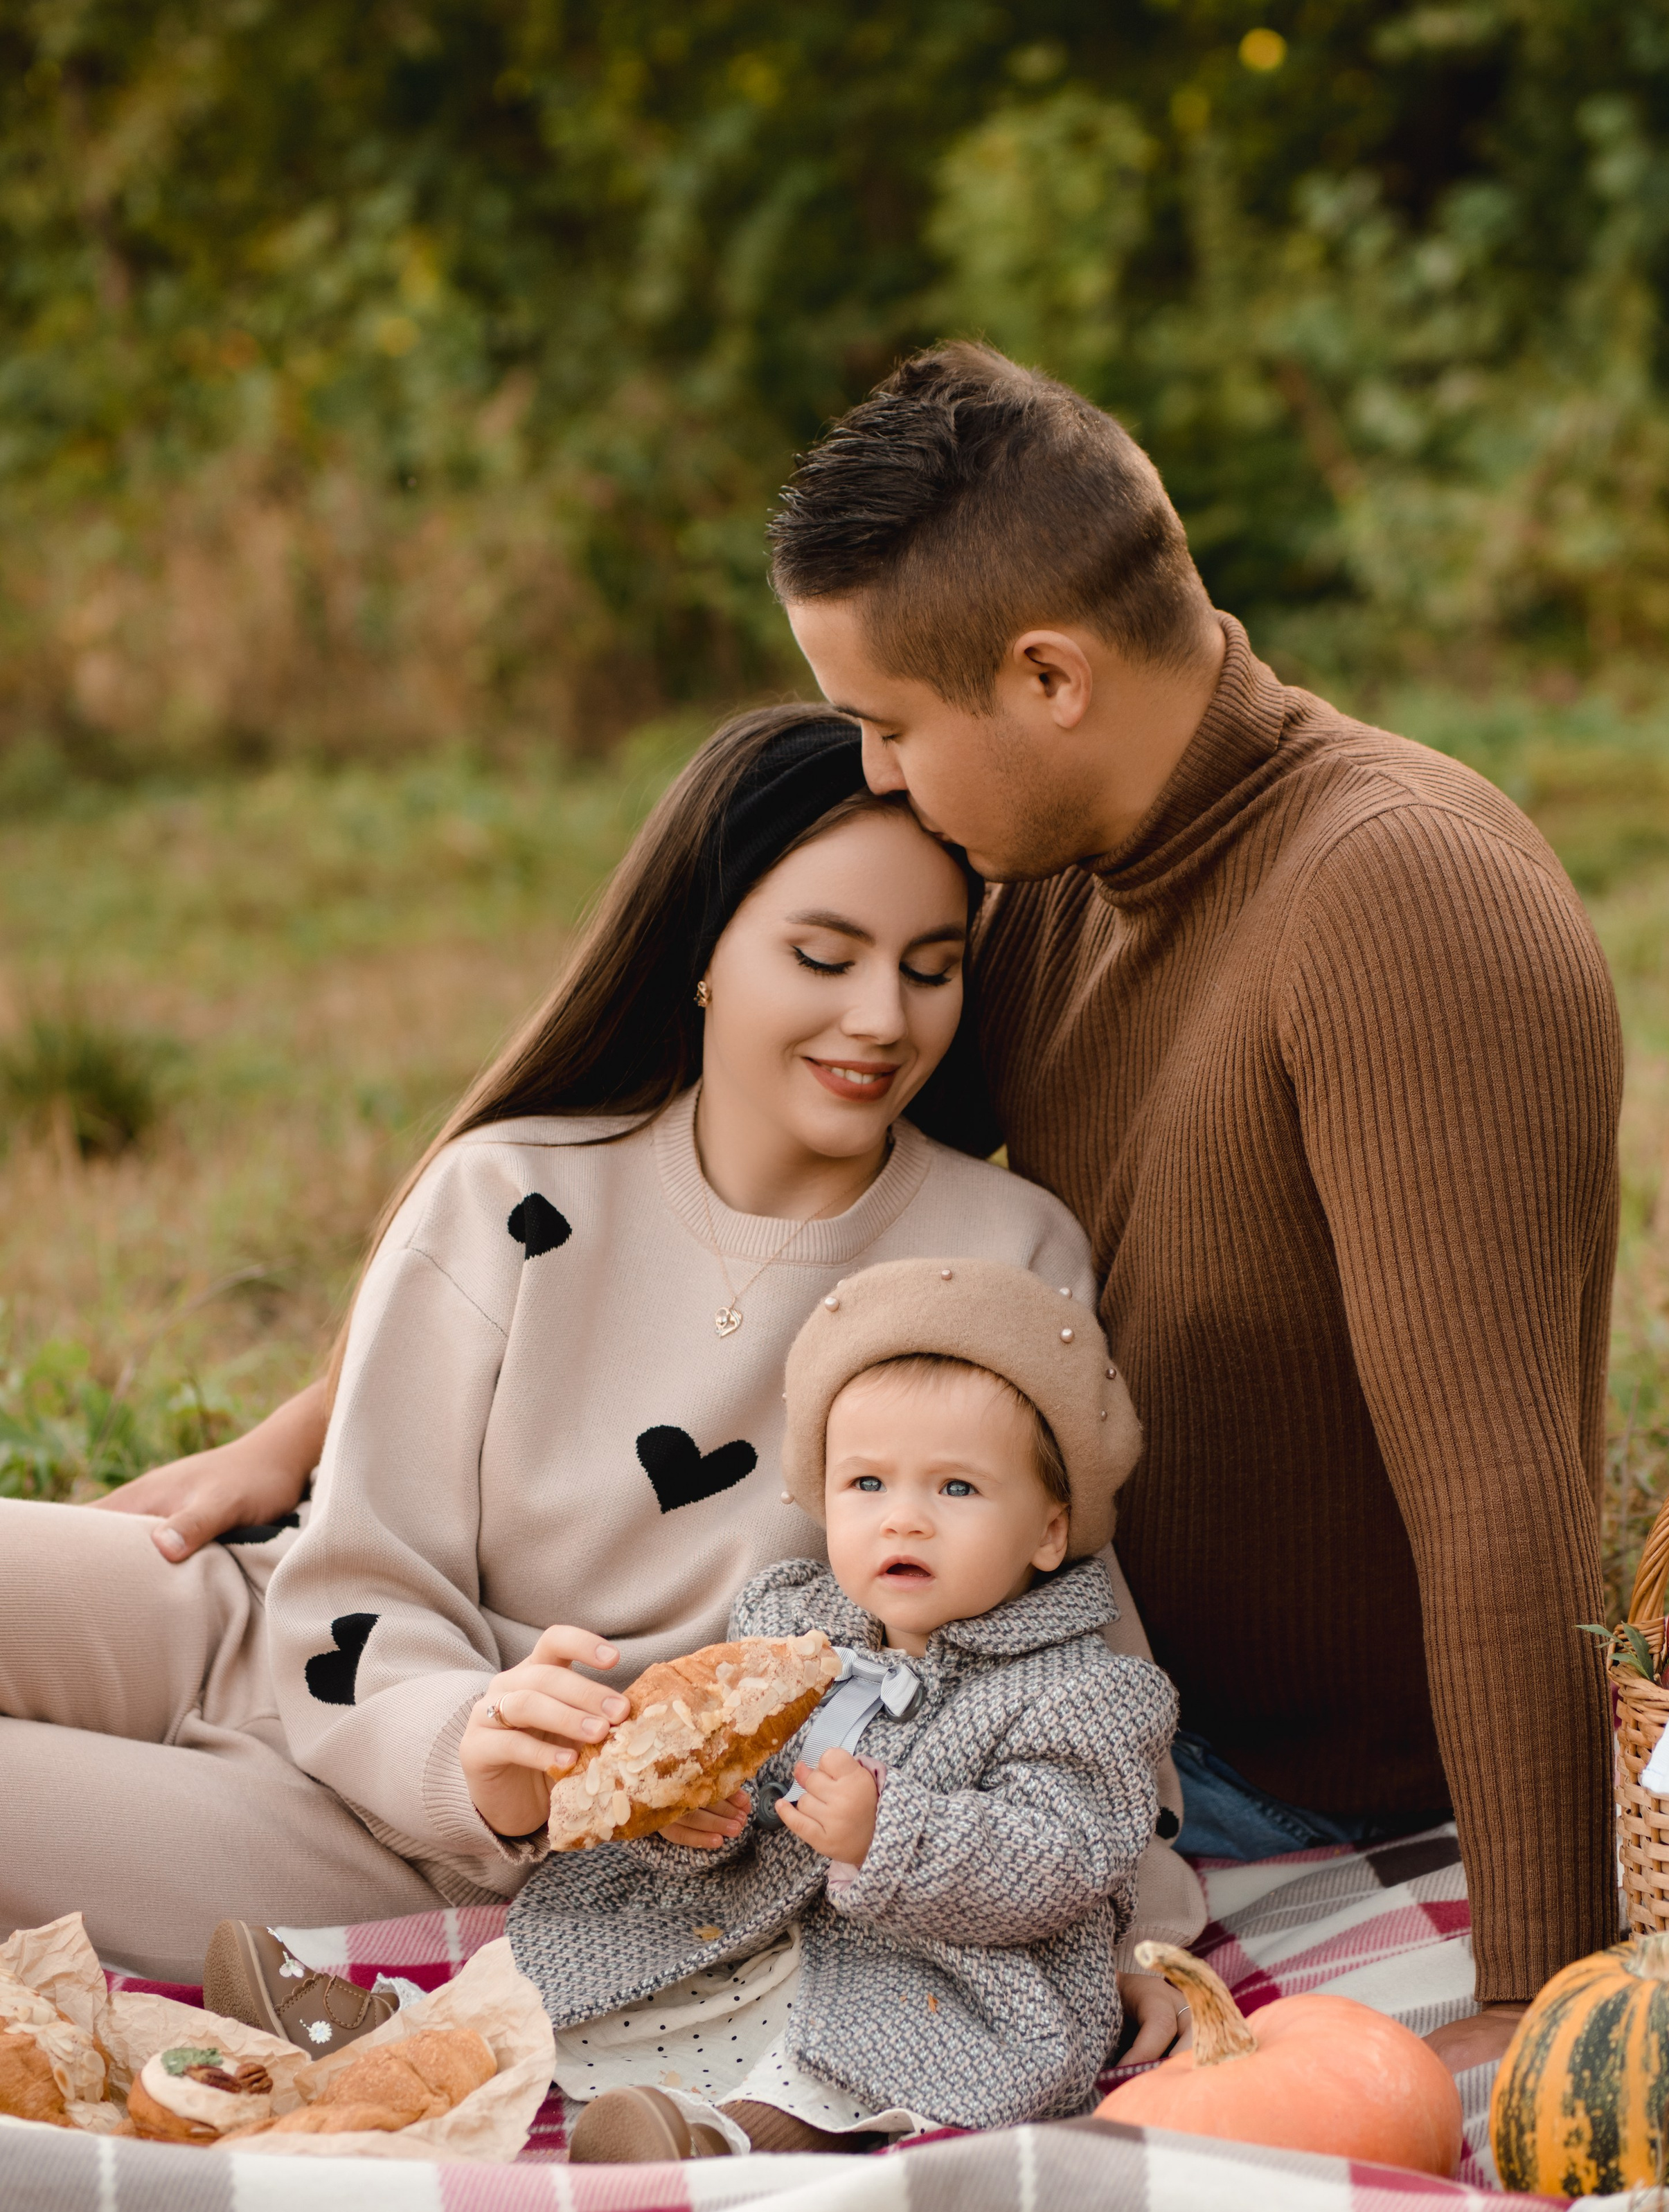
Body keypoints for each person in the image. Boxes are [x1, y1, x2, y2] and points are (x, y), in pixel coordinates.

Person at [3, 705, 1201, 2030]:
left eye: (930, 967)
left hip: (468, 1839)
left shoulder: (1002, 1252)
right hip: (287, 1637)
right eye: (822, 953)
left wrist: (1129, 1930)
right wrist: (451, 1714)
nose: (880, 1018)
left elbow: (1061, 1628)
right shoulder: (512, 1188)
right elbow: (362, 1569)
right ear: (703, 952)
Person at [767, 343, 1623, 2071]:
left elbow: (1495, 1481)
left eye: (889, 726)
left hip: (1248, 1774)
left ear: (1045, 677)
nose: (871, 778)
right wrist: (316, 1426)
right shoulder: (1072, 881)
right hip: (1021, 1661)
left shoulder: (1394, 897)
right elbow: (759, 1144)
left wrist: (1533, 1991)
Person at [508, 1257, 1176, 2161]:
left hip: (942, 1974)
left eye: (956, 1487)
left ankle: (719, 2148)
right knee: (591, 1981)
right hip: (758, 1936)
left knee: (837, 2070)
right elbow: (745, 1776)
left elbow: (1060, 1858)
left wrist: (889, 1832)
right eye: (868, 1485)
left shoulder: (1085, 1695)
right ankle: (400, 2030)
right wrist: (699, 1821)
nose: (903, 1519)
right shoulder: (788, 1630)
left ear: (1050, 1529)